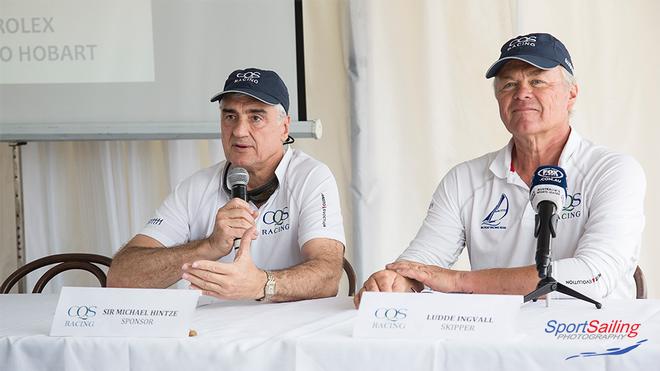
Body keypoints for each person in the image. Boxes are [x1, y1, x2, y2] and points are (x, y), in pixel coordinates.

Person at [355, 33, 645, 306]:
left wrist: (458, 281)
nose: (522, 93)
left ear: (571, 94)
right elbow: (424, 260)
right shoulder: (465, 179)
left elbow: (591, 277)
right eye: (508, 85)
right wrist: (397, 281)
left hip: (591, 344)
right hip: (497, 344)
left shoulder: (613, 172)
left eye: (537, 81)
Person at [108, 68, 346, 302]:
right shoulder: (194, 188)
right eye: (230, 116)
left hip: (284, 333)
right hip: (208, 336)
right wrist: (208, 246)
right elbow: (121, 278)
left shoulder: (311, 177)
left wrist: (261, 284)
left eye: (256, 117)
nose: (240, 131)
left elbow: (328, 276)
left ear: (284, 128)